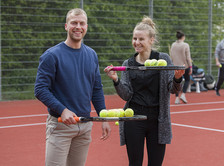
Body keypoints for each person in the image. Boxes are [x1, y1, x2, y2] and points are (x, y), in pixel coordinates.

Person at [34, 8, 111, 166]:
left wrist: (104, 117)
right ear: (66, 26)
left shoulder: (92, 55)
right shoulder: (51, 55)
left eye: (82, 23)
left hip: (85, 126)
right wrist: (62, 109)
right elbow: (40, 89)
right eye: (74, 23)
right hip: (60, 126)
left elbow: (96, 89)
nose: (78, 26)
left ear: (86, 27)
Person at [104, 16, 184, 166]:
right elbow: (126, 94)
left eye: (141, 39)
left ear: (151, 40)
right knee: (135, 163)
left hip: (158, 120)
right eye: (134, 38)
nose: (136, 42)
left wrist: (178, 79)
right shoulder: (128, 64)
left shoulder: (163, 59)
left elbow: (172, 89)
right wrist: (116, 80)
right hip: (133, 118)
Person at [170, 31, 192, 104]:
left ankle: (176, 98)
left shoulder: (173, 45)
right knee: (187, 80)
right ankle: (183, 94)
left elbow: (171, 56)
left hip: (175, 66)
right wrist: (190, 66)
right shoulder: (185, 45)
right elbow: (188, 57)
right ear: (183, 37)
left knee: (177, 81)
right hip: (184, 66)